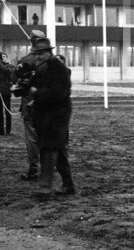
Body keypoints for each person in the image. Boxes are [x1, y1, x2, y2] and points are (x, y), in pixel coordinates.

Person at [29, 38, 76, 198]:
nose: (38, 57)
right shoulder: (45, 67)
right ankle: (69, 185)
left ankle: (45, 188)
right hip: (50, 117)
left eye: (40, 54)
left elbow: (59, 93)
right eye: (36, 54)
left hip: (55, 118)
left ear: (49, 52)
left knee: (48, 151)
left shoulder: (59, 69)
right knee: (59, 152)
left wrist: (37, 92)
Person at [13, 30, 45, 180]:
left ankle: (34, 168)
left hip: (31, 103)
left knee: (32, 136)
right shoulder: (51, 60)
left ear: (31, 41)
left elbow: (15, 78)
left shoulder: (27, 60)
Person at [0, 52, 14, 136]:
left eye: (4, 56)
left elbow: (5, 70)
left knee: (7, 111)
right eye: (1, 57)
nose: (3, 58)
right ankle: (0, 130)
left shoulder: (10, 66)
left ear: (7, 58)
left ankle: (8, 129)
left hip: (6, 91)